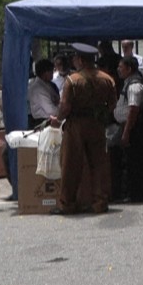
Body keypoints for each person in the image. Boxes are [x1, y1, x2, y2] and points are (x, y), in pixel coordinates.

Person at [49, 43, 118, 215]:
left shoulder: (73, 80)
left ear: (80, 59)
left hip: (76, 125)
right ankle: (100, 202)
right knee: (99, 164)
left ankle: (67, 203)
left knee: (71, 164)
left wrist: (58, 120)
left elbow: (65, 106)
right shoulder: (107, 79)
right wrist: (100, 114)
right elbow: (112, 104)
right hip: (97, 124)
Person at [110, 56, 143, 202]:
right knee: (132, 161)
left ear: (129, 69)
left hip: (136, 129)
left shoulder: (134, 86)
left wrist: (126, 132)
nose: (118, 69)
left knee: (136, 162)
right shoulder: (128, 83)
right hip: (132, 127)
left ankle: (138, 194)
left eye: (121, 67)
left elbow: (133, 110)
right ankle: (136, 193)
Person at [27, 58, 59, 129]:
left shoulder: (49, 85)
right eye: (51, 71)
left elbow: (57, 100)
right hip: (43, 122)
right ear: (44, 73)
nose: (52, 73)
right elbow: (51, 110)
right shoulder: (38, 88)